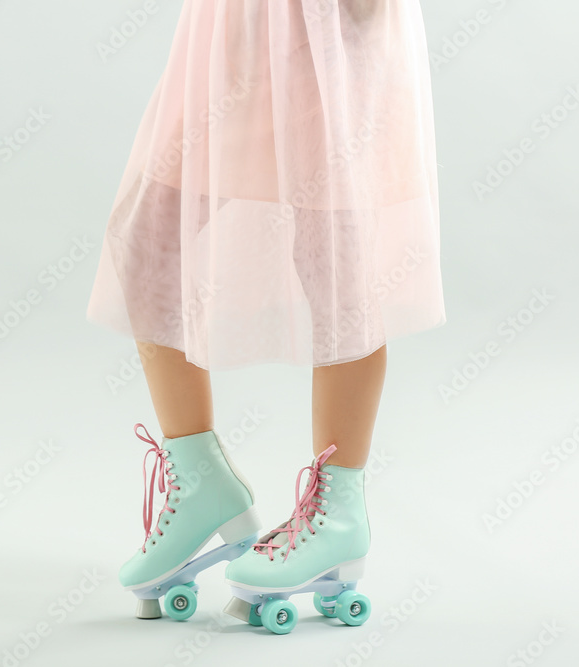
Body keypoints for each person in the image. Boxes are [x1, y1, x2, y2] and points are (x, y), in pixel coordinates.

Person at [86, 0, 444, 634]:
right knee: (143, 244)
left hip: (331, 31)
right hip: (231, 31)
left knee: (335, 268)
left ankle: (338, 514)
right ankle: (201, 482)